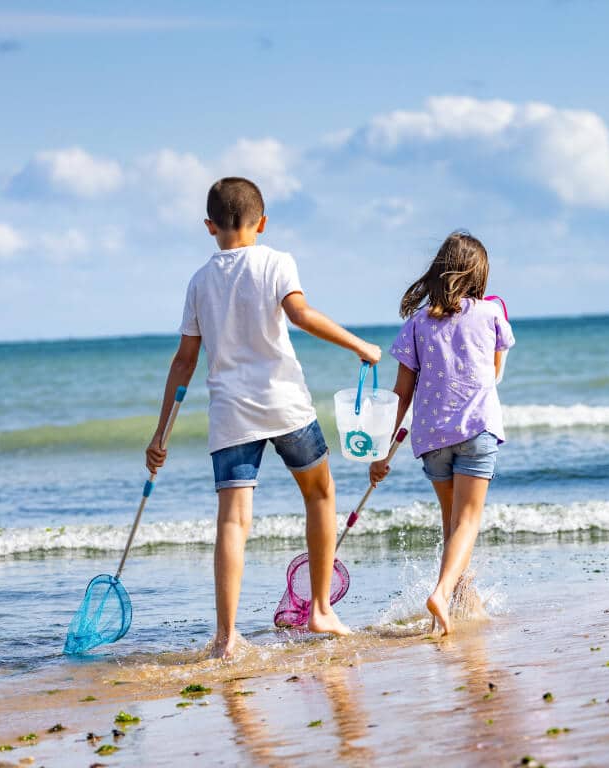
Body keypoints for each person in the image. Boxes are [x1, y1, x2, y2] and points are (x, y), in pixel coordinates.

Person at [146, 177, 381, 658]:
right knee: (320, 494)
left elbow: (184, 362)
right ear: (263, 222)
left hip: (231, 413)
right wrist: (360, 345)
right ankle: (319, 607)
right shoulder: (276, 261)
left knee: (233, 522)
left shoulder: (198, 281)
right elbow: (301, 314)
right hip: (285, 403)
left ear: (209, 226)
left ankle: (227, 637)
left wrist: (159, 435)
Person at [369, 231, 514, 635]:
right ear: (478, 275)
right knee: (467, 523)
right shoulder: (491, 316)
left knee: (453, 525)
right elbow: (496, 373)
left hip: (432, 439)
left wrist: (381, 452)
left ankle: (458, 605)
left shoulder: (416, 324)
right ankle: (444, 591)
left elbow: (401, 395)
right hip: (476, 429)